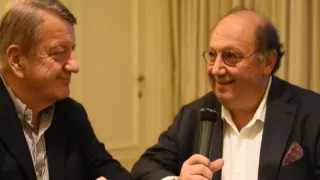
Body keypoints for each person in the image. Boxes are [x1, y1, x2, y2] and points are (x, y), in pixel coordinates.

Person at [131, 8, 320, 180]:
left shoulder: (312, 113)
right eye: (212, 55)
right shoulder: (193, 115)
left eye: (230, 56)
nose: (216, 70)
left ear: (268, 62)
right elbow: (145, 168)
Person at [0, 0, 133, 179]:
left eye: (72, 50)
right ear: (17, 60)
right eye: (60, 52)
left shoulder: (71, 113)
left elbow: (111, 170)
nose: (75, 66)